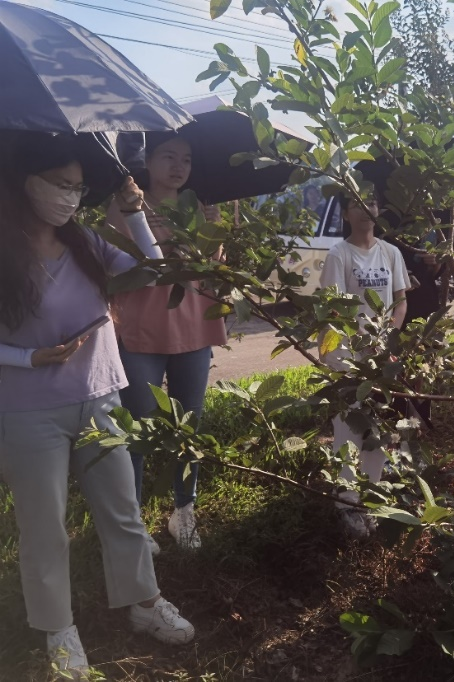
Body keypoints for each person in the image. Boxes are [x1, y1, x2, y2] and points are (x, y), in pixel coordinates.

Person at [0, 134, 195, 678]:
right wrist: (28, 357)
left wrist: (135, 215)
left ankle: (144, 603)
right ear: (26, 183)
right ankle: (58, 629)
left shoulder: (84, 241)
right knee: (44, 526)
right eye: (60, 185)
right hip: (27, 410)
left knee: (123, 511)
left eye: (78, 187)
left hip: (100, 394)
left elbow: (153, 272)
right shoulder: (3, 251)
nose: (70, 196)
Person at [106, 132, 227, 552]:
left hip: (193, 327)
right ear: (148, 161)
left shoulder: (199, 207)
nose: (179, 167)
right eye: (169, 157)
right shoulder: (126, 203)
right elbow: (115, 265)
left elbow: (212, 270)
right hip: (141, 329)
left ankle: (184, 510)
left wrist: (215, 235)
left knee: (188, 425)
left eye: (186, 159)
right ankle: (133, 518)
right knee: (137, 427)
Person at [319, 192, 409, 538]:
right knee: (348, 428)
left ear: (378, 210)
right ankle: (346, 501)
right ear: (345, 214)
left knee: (379, 426)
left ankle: (371, 495)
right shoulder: (338, 254)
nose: (365, 209)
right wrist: (366, 341)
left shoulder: (391, 253)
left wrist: (387, 341)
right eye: (356, 204)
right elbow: (337, 307)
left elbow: (400, 302)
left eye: (370, 202)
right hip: (348, 355)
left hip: (381, 355)